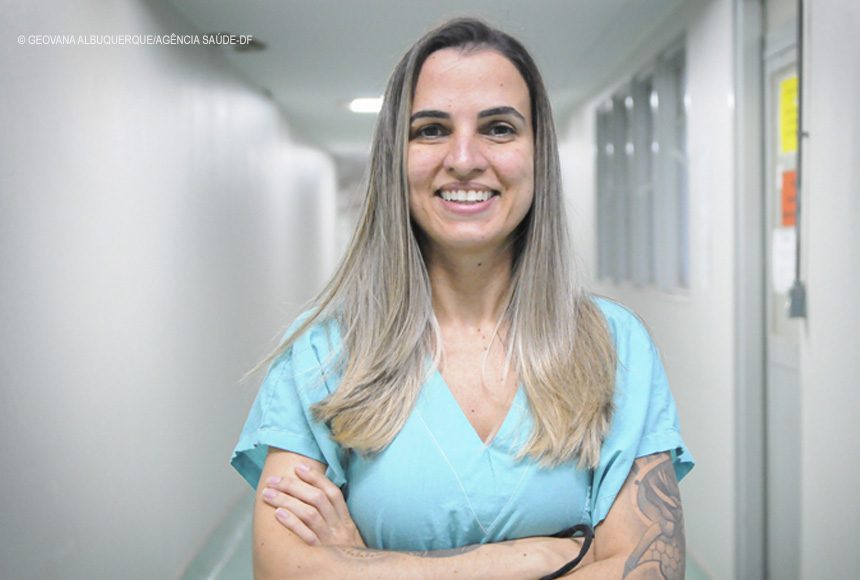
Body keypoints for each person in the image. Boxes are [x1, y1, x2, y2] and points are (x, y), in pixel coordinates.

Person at [231, 17, 694, 579]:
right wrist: (534, 557)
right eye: (431, 130)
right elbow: (285, 572)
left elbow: (652, 571)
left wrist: (367, 564)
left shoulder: (614, 345)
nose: (465, 158)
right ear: (394, 157)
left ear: (538, 154)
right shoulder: (322, 352)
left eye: (499, 128)